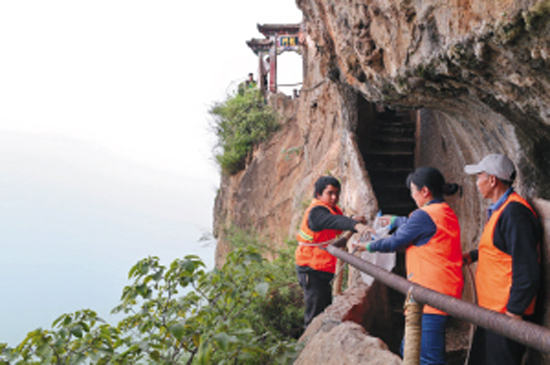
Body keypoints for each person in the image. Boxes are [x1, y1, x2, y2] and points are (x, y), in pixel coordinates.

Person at [354, 166, 463, 365]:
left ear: (425, 192)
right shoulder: (444, 211)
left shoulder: (424, 216)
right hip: (443, 290)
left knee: (428, 359)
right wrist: (396, 220)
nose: (412, 195)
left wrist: (367, 246)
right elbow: (417, 225)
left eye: (413, 190)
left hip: (430, 296)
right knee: (409, 348)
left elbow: (394, 242)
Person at [463, 154, 541, 365]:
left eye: (479, 177)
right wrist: (473, 256)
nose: (477, 183)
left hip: (505, 314)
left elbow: (526, 266)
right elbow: (502, 248)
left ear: (492, 180)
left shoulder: (515, 213)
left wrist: (514, 313)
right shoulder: (502, 209)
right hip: (491, 311)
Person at [296, 176, 367, 328]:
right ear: (319, 194)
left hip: (322, 267)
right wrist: (354, 225)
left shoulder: (331, 209)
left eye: (337, 193)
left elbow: (336, 221)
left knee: (323, 307)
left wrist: (351, 219)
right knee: (315, 312)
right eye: (330, 193)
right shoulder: (316, 211)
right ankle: (308, 345)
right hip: (311, 268)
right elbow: (330, 221)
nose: (334, 197)